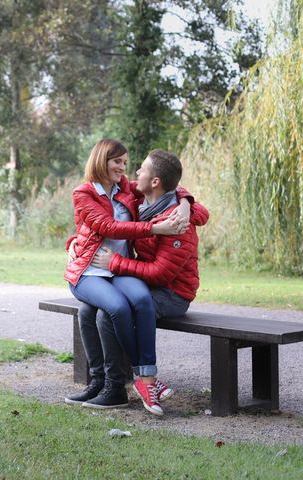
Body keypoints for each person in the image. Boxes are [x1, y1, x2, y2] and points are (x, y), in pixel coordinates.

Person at [67, 148, 208, 415]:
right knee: (88, 310)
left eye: (138, 168)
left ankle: (122, 385)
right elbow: (103, 228)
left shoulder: (177, 220)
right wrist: (75, 242)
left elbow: (161, 274)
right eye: (118, 162)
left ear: (154, 182)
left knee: (107, 315)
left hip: (170, 292)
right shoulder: (136, 198)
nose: (133, 172)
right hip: (128, 277)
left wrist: (186, 205)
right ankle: (105, 383)